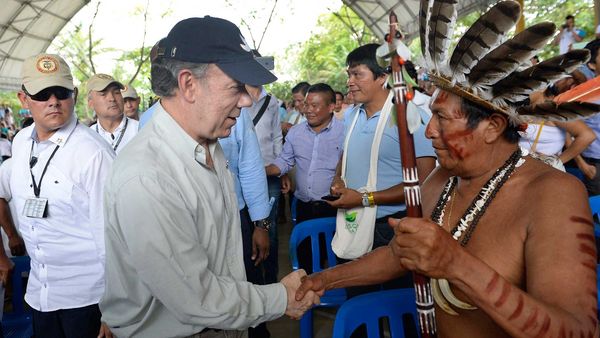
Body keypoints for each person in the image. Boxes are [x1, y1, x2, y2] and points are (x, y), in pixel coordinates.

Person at [297, 2, 597, 336]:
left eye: (441, 118)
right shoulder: (442, 179)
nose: (428, 131)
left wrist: (457, 265)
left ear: (493, 127)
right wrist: (322, 279)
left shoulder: (553, 194)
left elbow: (578, 330)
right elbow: (398, 254)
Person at [100, 17, 319, 338]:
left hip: (224, 323)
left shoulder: (208, 145)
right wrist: (280, 297)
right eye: (235, 88)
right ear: (189, 84)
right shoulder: (148, 176)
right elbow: (196, 298)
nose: (247, 100)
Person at [13, 53, 114, 337]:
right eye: (43, 94)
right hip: (40, 294)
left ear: (75, 95)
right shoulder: (21, 143)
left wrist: (115, 309)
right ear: (24, 99)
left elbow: (112, 237)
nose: (53, 101)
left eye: (62, 92)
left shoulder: (93, 153)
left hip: (87, 300)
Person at [327, 43, 436, 294]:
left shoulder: (410, 117)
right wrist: (338, 179)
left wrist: (366, 198)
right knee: (359, 299)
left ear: (382, 77)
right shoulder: (351, 116)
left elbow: (424, 181)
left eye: (358, 74)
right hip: (354, 220)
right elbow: (345, 153)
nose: (350, 82)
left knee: (400, 305)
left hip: (392, 228)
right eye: (349, 75)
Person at [266, 83, 344, 273]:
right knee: (306, 262)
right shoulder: (296, 132)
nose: (308, 110)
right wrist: (259, 171)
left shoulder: (345, 132)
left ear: (331, 107)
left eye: (314, 105)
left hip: (334, 208)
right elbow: (284, 161)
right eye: (306, 105)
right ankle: (308, 300)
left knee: (336, 261)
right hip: (305, 208)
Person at [244, 86, 284, 286]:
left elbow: (277, 136)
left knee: (269, 227)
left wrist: (280, 167)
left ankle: (270, 280)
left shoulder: (271, 100)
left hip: (269, 175)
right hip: (244, 174)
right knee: (246, 226)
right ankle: (251, 280)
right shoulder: (237, 96)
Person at [88, 74, 139, 154]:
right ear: (90, 103)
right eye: (103, 94)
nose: (112, 98)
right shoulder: (88, 136)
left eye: (116, 92)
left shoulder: (140, 130)